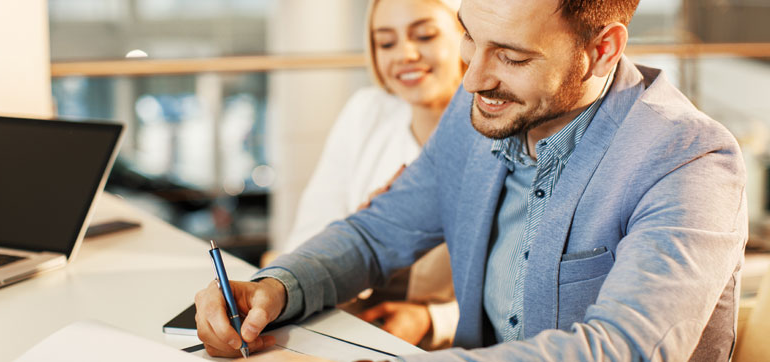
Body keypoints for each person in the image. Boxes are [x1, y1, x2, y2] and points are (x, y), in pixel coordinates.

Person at [194, 0, 748, 360]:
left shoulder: (688, 160)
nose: (473, 79)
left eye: (510, 57)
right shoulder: (479, 117)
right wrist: (277, 287)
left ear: (601, 50)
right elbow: (375, 234)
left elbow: (622, 350)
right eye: (468, 38)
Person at [268, 0, 464, 349]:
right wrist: (366, 218)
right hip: (345, 328)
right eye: (386, 43)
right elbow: (305, 241)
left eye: (424, 35)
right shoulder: (366, 113)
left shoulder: (496, 133)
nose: (405, 54)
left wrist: (433, 319)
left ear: (467, 34)